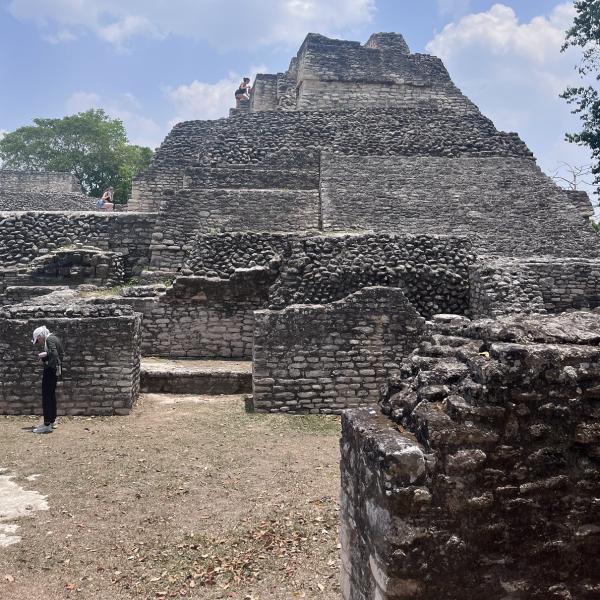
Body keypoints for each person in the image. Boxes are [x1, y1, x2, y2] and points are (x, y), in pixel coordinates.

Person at [31, 326, 64, 434]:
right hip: (55, 371)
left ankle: (46, 424)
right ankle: (52, 421)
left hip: (50, 371)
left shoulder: (49, 339)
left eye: (38, 340)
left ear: (40, 336)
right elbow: (58, 354)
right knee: (51, 396)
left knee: (46, 396)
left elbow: (54, 355)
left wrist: (45, 359)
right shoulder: (54, 338)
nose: (39, 342)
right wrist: (46, 356)